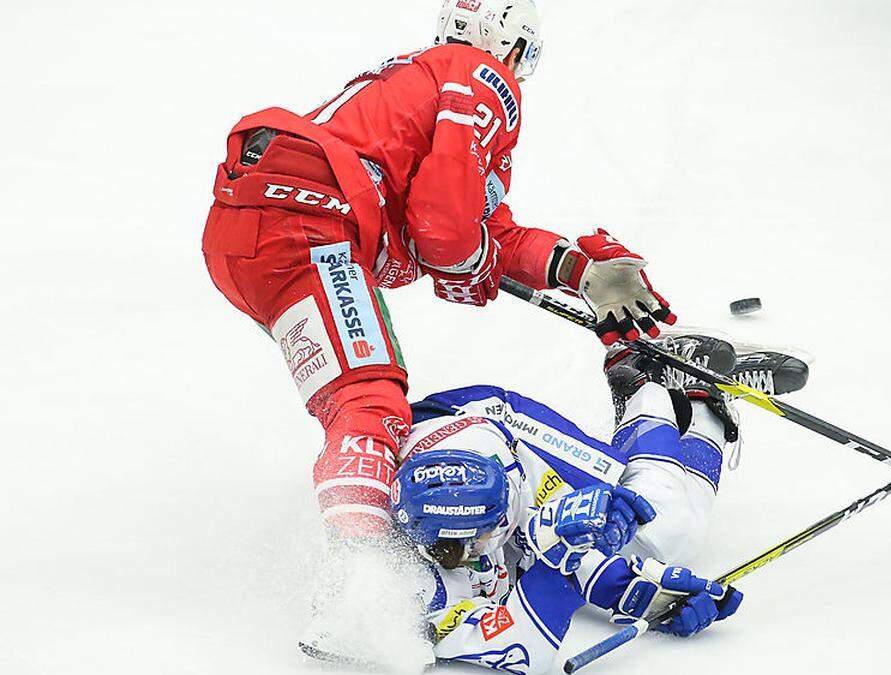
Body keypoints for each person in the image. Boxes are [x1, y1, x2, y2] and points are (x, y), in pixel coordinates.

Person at [200, 0, 676, 545]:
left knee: (352, 403)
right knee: (369, 402)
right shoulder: (482, 77)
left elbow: (484, 227)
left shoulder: (421, 79)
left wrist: (581, 272)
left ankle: (374, 523)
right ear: (512, 44)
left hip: (249, 240)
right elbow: (445, 230)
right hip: (307, 230)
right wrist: (470, 261)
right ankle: (364, 572)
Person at [339, 336, 809, 673]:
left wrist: (589, 546)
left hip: (494, 422)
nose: (492, 538)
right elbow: (522, 647)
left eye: (497, 524)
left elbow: (558, 543)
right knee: (672, 543)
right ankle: (706, 397)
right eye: (478, 536)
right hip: (455, 460)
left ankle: (650, 378)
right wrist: (648, 595)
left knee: (663, 519)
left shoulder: (504, 477)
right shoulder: (408, 590)